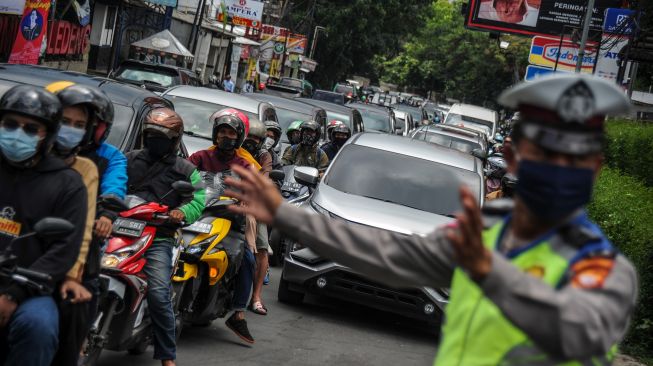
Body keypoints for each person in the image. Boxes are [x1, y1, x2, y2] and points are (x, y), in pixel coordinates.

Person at [223, 74, 638, 365]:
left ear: (595, 168)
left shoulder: (605, 267)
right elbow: (380, 251)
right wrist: (285, 216)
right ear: (513, 160)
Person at [0, 85, 88, 365]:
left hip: (29, 288)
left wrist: (14, 294)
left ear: (46, 135)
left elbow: (64, 248)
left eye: (30, 129)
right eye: (10, 125)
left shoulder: (67, 183)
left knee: (38, 327)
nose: (17, 134)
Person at [126, 108, 205, 366]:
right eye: (151, 135)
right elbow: (110, 184)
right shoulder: (128, 159)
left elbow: (197, 200)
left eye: (161, 137)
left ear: (174, 140)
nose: (154, 141)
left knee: (159, 294)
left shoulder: (186, 170)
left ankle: (167, 356)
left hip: (157, 238)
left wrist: (180, 213)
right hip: (119, 230)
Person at [188, 108, 260, 344]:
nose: (226, 137)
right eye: (222, 132)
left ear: (238, 137)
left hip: (231, 221)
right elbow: (183, 171)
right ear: (215, 135)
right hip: (198, 214)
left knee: (248, 258)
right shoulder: (200, 156)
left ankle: (238, 313)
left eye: (231, 133)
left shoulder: (245, 164)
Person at [48, 83, 104, 366]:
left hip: (60, 264)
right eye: (65, 122)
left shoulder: (86, 167)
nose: (71, 129)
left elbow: (81, 229)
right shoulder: (24, 157)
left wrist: (71, 277)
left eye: (78, 124)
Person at [241, 119, 273, 315]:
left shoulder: (263, 156)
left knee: (261, 247)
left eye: (256, 138)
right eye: (248, 136)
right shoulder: (232, 151)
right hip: (228, 200)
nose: (251, 140)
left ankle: (256, 296)